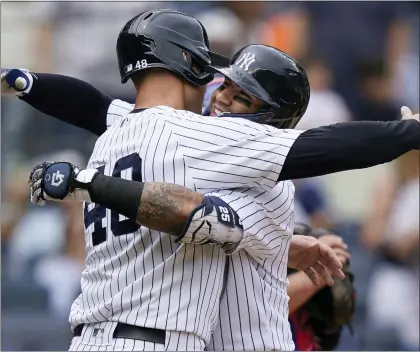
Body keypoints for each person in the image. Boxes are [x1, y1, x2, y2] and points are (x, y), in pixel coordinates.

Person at [3, 9, 420, 352]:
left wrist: (406, 134)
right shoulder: (183, 136)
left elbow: (200, 213)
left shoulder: (257, 174)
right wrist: (25, 82)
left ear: (271, 122)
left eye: (244, 98)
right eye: (228, 86)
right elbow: (94, 106)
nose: (222, 99)